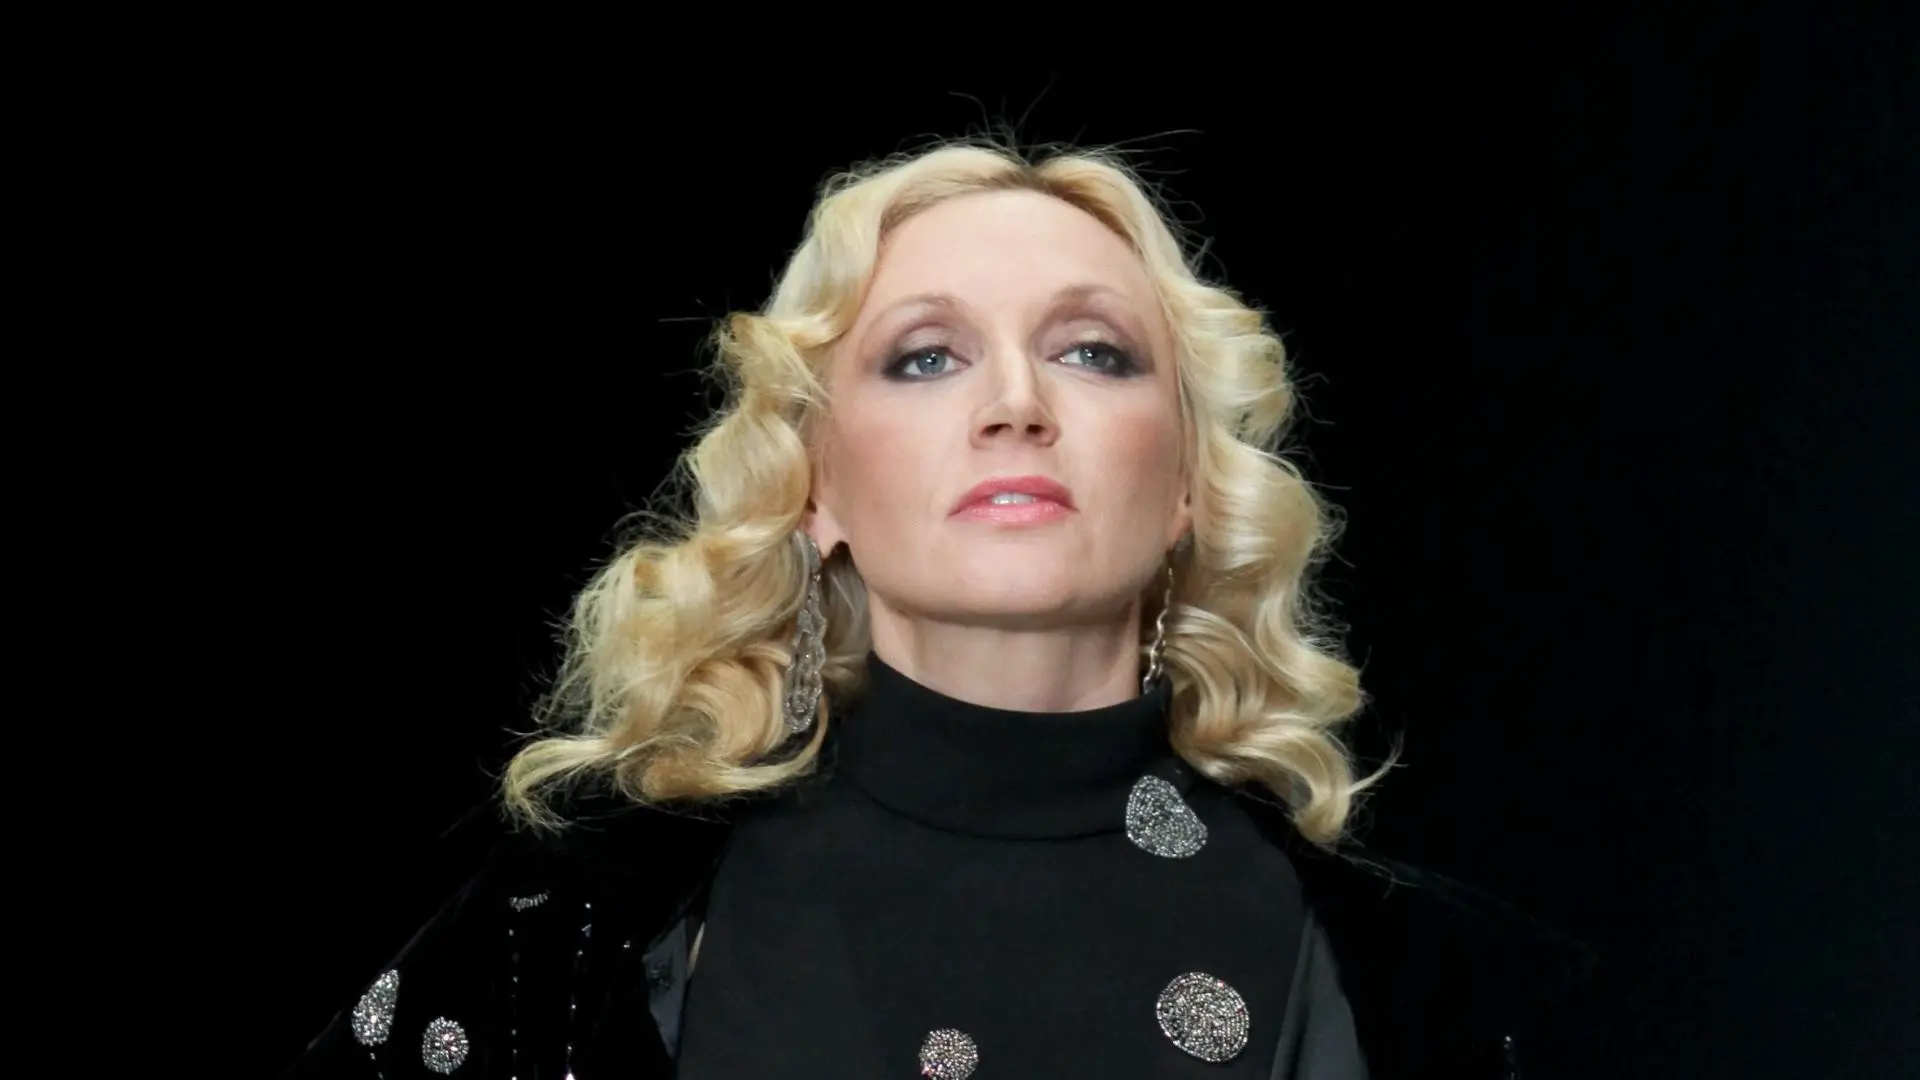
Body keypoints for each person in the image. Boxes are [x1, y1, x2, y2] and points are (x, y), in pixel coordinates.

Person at [282, 140, 1596, 1079]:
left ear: (1190, 483)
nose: (1016, 403)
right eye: (925, 357)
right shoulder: (567, 926)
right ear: (816, 488)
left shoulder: (1446, 990)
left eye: (1093, 351)